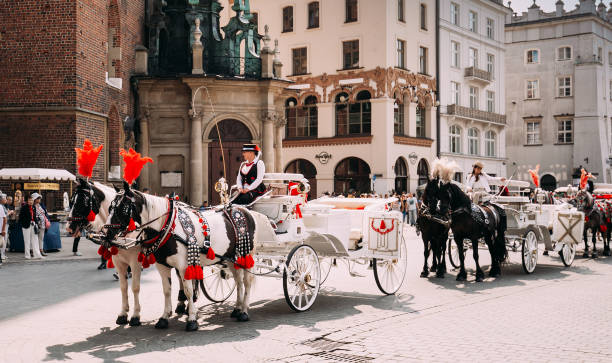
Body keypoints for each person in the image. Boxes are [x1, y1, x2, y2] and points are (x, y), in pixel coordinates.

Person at [19, 194, 43, 259]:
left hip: (33, 224)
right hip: (26, 225)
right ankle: (27, 255)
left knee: (35, 239)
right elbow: (21, 217)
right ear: (27, 201)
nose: (31, 202)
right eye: (29, 200)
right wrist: (24, 223)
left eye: (32, 200)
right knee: (27, 240)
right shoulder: (24, 208)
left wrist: (36, 223)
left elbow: (34, 217)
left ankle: (37, 254)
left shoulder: (34, 207)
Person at [0, 194, 7, 264]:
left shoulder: (0, 207)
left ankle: (1, 258)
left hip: (0, 230)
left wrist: (3, 229)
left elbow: (5, 219)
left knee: (1, 244)